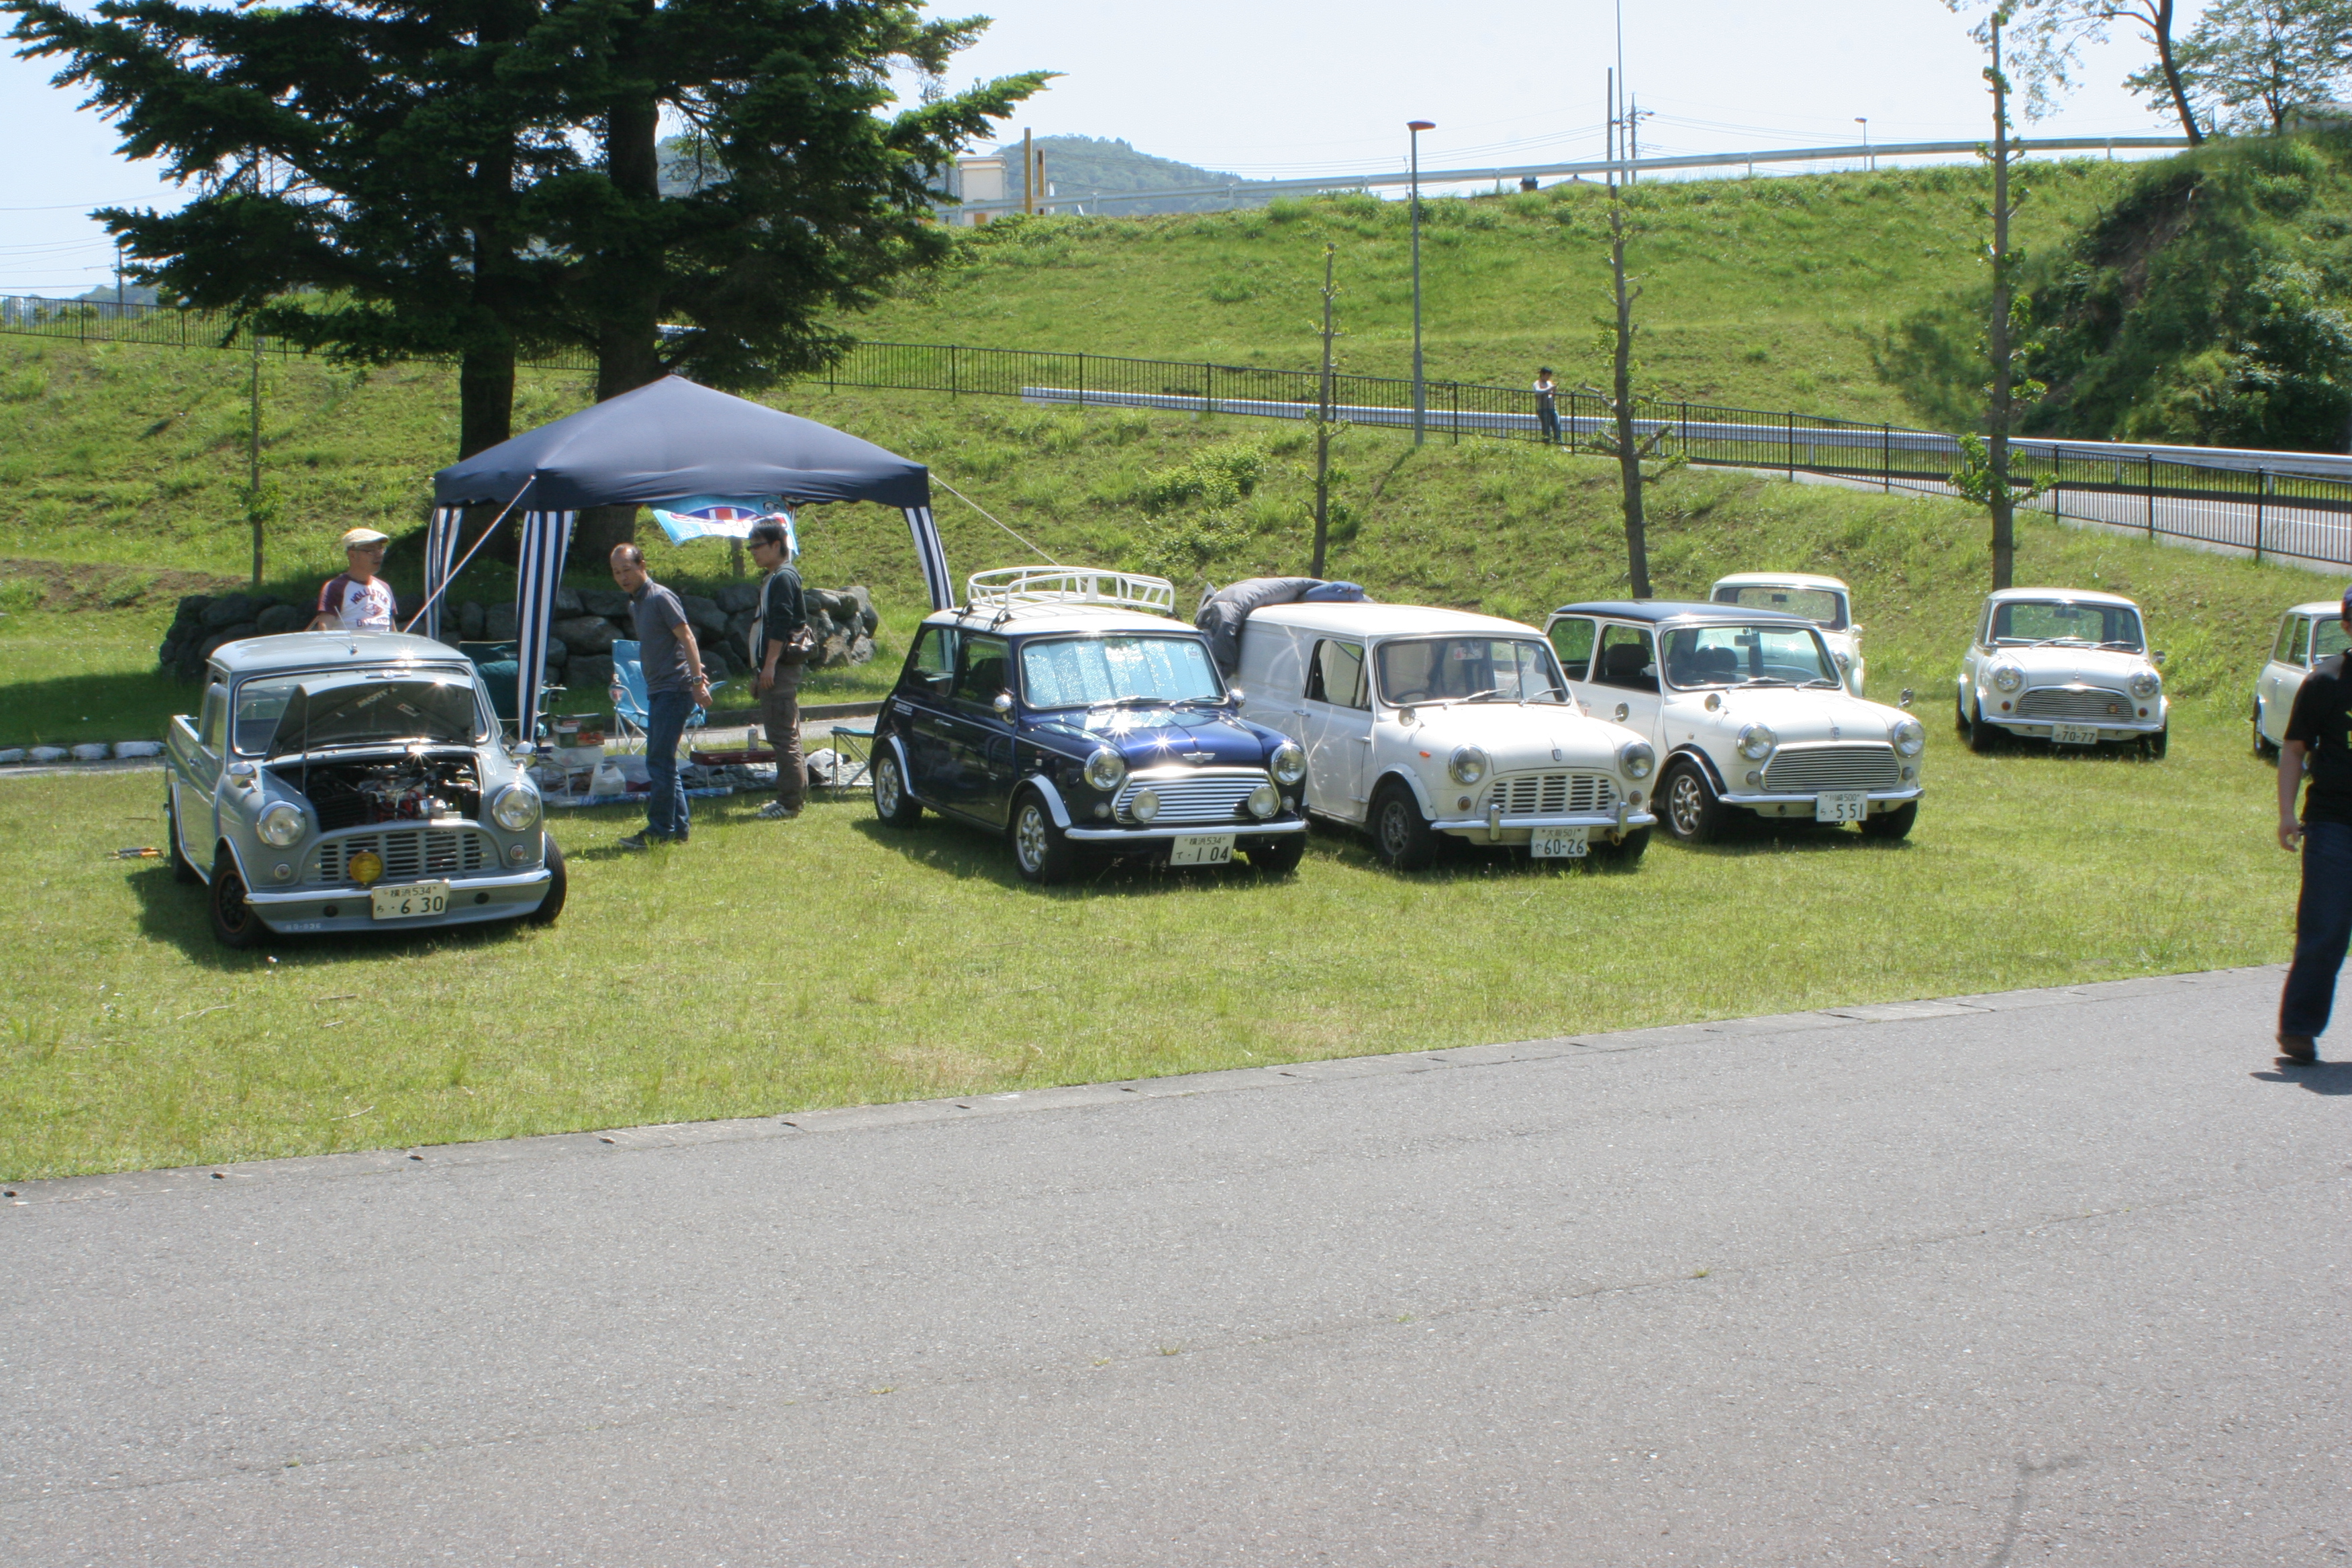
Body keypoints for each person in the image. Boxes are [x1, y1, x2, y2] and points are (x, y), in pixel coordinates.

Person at [2275, 587, 2352, 1065]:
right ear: (2347, 625)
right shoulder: (2325, 682)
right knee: (2325, 927)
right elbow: (2294, 749)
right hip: (2333, 823)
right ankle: (2299, 1029)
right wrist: (2287, 813)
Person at [609, 542, 713, 850]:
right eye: (617, 572)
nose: (623, 577)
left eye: (627, 570)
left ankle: (659, 830)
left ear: (642, 565)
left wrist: (697, 681)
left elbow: (687, 637)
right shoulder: (635, 604)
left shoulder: (660, 597)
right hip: (658, 690)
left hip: (675, 689)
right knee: (663, 761)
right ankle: (678, 828)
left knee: (658, 761)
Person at [746, 518, 810, 821]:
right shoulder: (774, 577)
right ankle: (791, 798)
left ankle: (789, 803)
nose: (753, 552)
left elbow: (781, 624)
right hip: (772, 668)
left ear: (776, 545)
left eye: (757, 546)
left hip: (780, 668)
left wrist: (770, 665)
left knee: (783, 736)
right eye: (750, 547)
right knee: (784, 733)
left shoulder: (784, 577)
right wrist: (759, 670)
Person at [310, 528, 397, 631]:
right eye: (370, 550)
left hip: (384, 642)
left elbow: (392, 629)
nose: (379, 555)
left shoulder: (385, 587)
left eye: (380, 549)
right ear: (352, 555)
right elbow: (325, 628)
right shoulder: (336, 587)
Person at [1533, 368, 1561, 446]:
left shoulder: (1550, 383)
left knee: (1557, 426)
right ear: (1542, 374)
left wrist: (1554, 391)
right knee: (1546, 428)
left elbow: (1552, 394)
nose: (1548, 377)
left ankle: (1558, 443)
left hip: (1552, 408)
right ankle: (1547, 444)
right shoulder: (1537, 383)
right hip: (1543, 408)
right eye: (1547, 375)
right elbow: (1538, 391)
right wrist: (1549, 389)